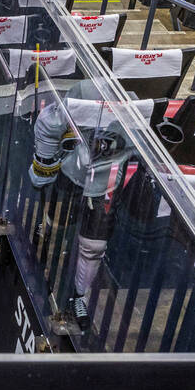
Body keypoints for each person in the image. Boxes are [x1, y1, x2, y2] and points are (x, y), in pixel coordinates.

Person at [28, 81, 139, 331]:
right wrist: (44, 167)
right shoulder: (82, 94)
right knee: (56, 220)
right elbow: (49, 124)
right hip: (74, 173)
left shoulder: (131, 102)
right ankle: (44, 228)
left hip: (107, 181)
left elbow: (144, 144)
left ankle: (80, 297)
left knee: (94, 245)